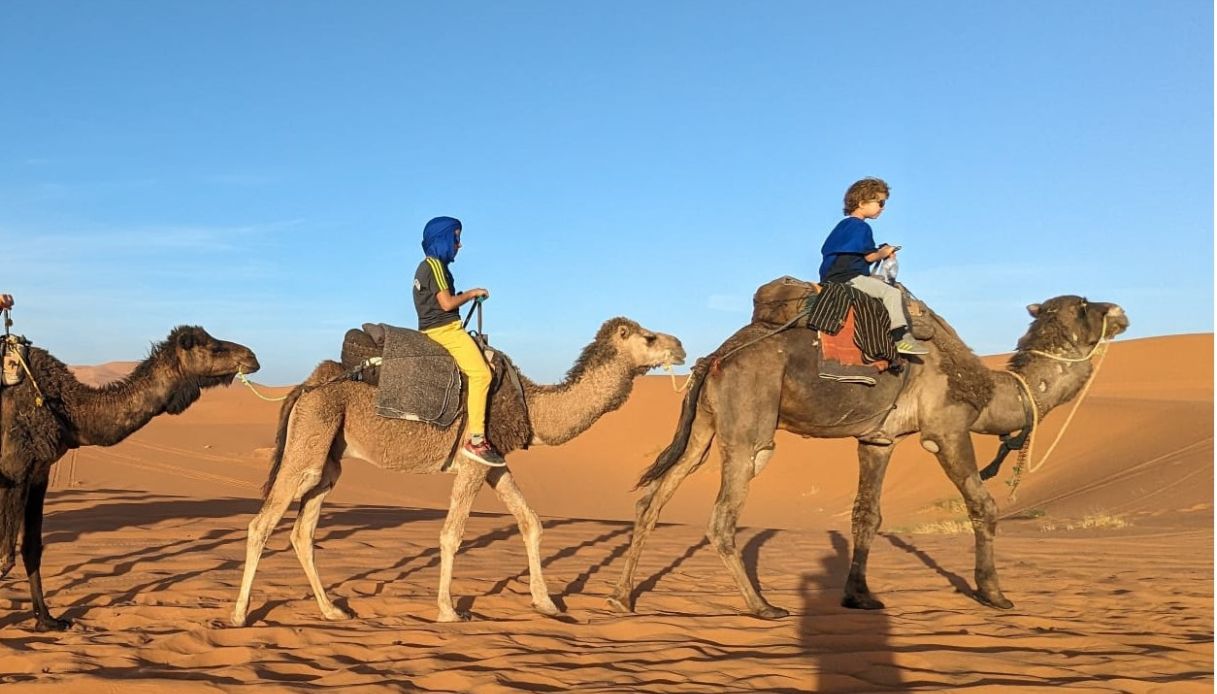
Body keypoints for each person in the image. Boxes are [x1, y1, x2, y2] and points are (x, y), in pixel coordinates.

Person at [414, 216, 507, 467]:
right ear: (443, 238)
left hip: (437, 329)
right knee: (482, 375)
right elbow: (446, 304)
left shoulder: (429, 267)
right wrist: (471, 294)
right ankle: (476, 440)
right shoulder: (434, 267)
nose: (459, 244)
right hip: (444, 331)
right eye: (456, 237)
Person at [818, 178, 928, 355]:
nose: (883, 207)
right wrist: (885, 253)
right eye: (880, 202)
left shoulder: (843, 226)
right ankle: (901, 338)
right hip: (848, 277)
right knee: (892, 293)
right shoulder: (861, 227)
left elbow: (855, 253)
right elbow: (869, 257)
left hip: (833, 275)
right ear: (862, 203)